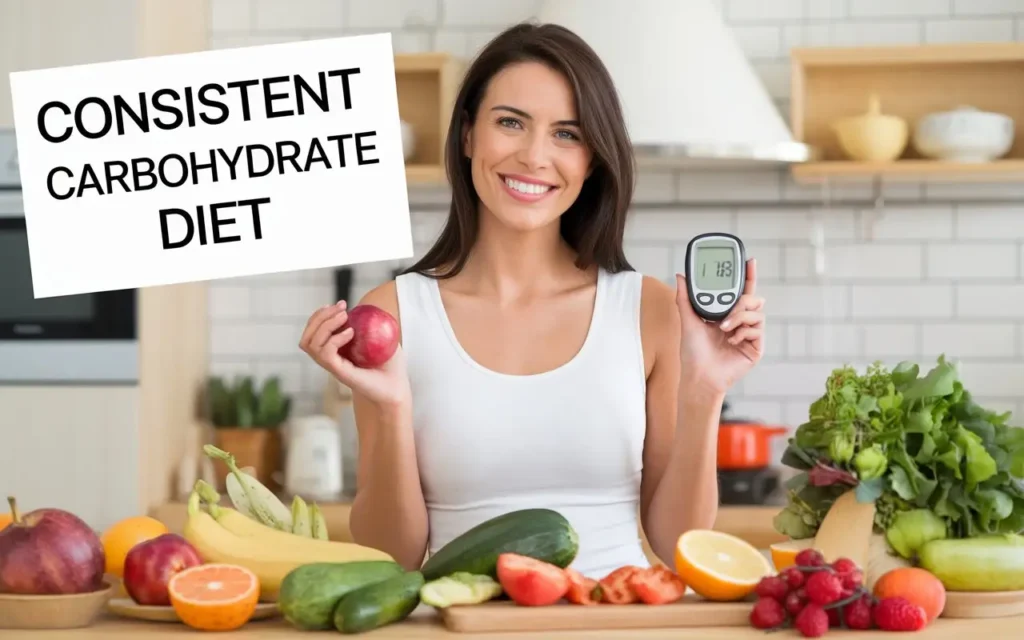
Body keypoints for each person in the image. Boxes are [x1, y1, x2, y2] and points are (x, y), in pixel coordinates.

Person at [299, 22, 766, 579]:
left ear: (591, 159)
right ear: (469, 134)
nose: (534, 156)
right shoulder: (396, 314)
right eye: (510, 123)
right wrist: (393, 406)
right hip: (462, 623)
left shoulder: (648, 309)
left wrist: (705, 392)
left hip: (615, 621)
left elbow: (676, 543)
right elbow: (392, 556)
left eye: (567, 134)